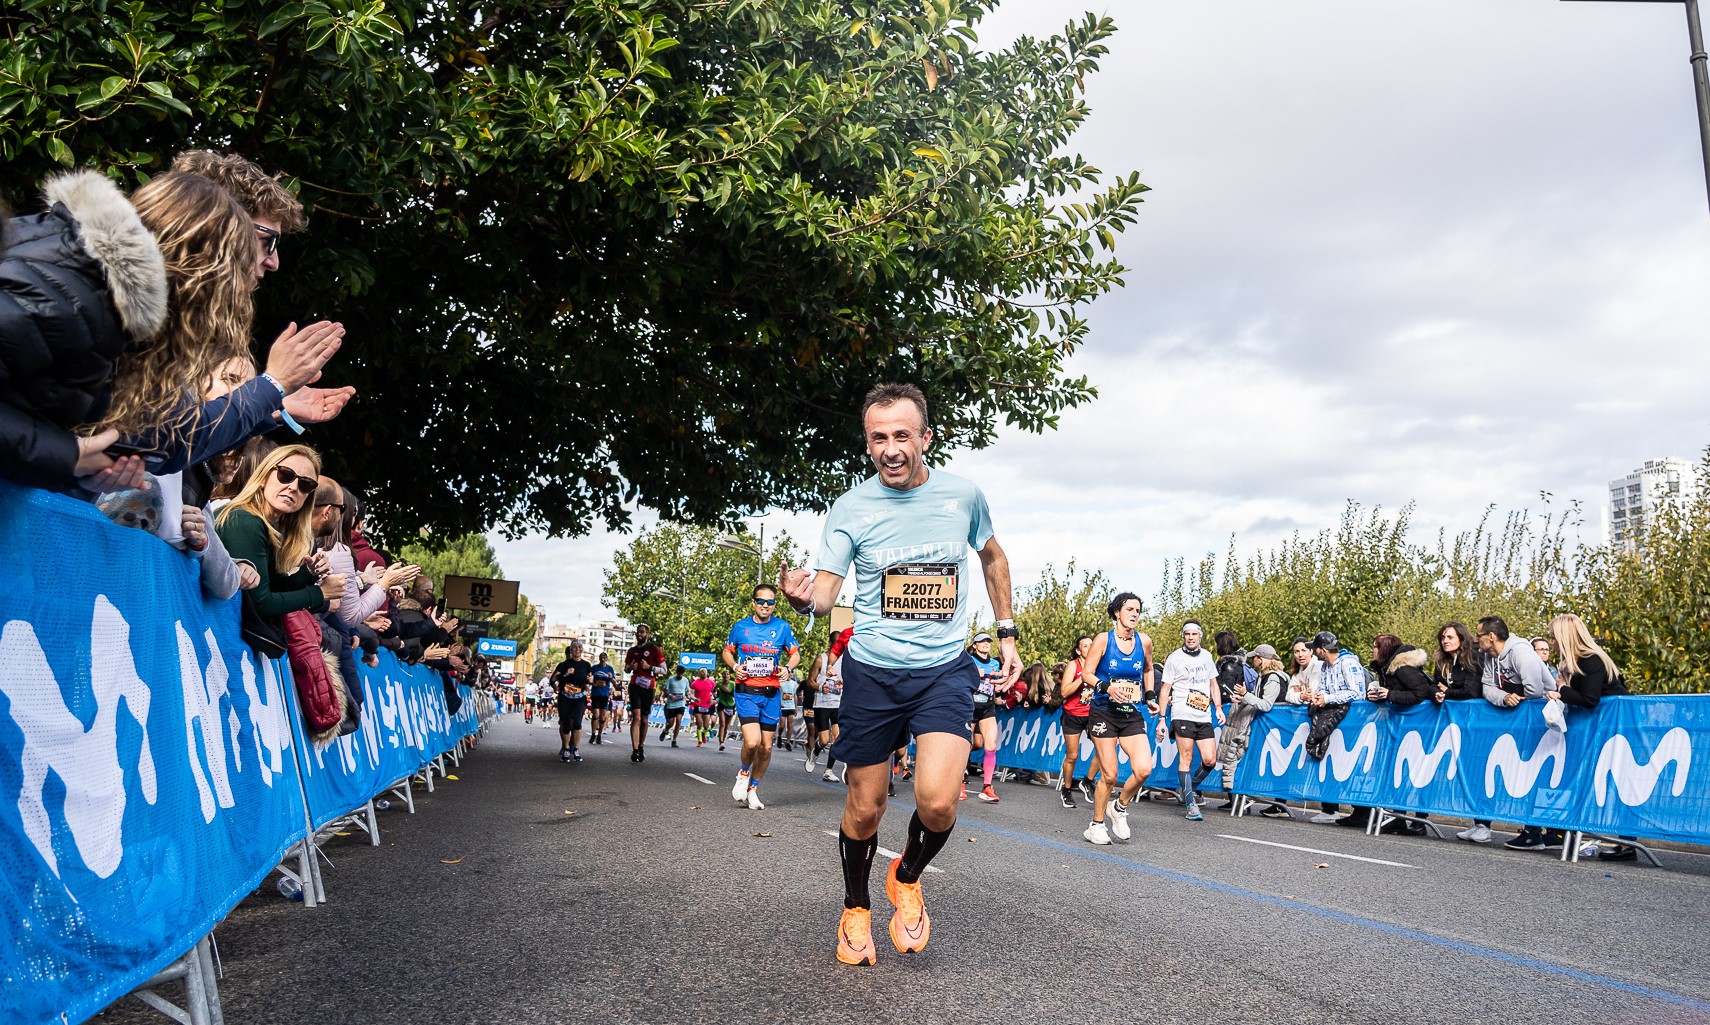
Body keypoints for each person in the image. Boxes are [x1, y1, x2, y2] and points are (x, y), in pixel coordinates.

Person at [779, 383, 1019, 966]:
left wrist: (1006, 629)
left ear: (925, 439)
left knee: (938, 803)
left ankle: (906, 877)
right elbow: (826, 596)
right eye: (878, 437)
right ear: (868, 445)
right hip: (875, 674)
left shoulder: (963, 497)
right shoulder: (851, 508)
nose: (890, 448)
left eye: (902, 435)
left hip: (943, 670)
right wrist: (801, 599)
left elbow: (992, 557)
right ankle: (856, 905)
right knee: (867, 807)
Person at [0, 169, 165, 491]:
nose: (271, 263)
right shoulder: (72, 300)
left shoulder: (84, 288)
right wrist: (68, 456)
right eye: (263, 242)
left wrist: (76, 465)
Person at [1547, 613, 1634, 859]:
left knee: (1617, 782)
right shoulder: (1576, 663)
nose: (1552, 642)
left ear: (1565, 638)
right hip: (1604, 728)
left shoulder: (1590, 660)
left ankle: (1627, 844)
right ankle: (1618, 841)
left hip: (1619, 728)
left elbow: (1590, 700)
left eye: (1554, 637)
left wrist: (1562, 690)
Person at [1473, 616, 1560, 851]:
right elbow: (1487, 687)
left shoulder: (1521, 652)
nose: (1476, 639)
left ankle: (1541, 833)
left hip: (1542, 721)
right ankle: (1536, 832)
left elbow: (1535, 690)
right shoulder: (1489, 656)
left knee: (1539, 773)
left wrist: (1511, 695)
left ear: (1491, 636)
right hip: (1520, 721)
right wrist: (1503, 697)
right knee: (1523, 773)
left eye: (1478, 634)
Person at [1079, 594, 1155, 844]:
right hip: (1103, 712)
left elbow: (1148, 669)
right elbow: (1086, 674)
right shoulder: (1103, 640)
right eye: (1129, 609)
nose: (1134, 614)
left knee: (1144, 769)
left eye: (1138, 610)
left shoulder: (1144, 641)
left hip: (1130, 712)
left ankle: (1119, 807)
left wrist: (1151, 695)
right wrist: (1106, 687)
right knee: (1109, 774)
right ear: (1116, 613)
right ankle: (1096, 825)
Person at [723, 584, 801, 810]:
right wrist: (735, 665)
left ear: (774, 604)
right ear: (753, 603)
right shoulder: (740, 627)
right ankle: (743, 773)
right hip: (746, 691)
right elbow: (727, 650)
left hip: (771, 693)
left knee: (766, 748)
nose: (765, 606)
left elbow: (795, 654)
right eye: (761, 601)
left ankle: (753, 789)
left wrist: (787, 668)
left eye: (770, 602)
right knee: (753, 741)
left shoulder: (782, 627)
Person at [1366, 634, 1436, 835]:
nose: (1373, 651)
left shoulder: (1403, 668)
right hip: (1401, 727)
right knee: (1399, 771)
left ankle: (1419, 821)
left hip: (1419, 727)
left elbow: (1421, 693)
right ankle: (1398, 817)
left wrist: (1390, 695)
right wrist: (1375, 696)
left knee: (1416, 772)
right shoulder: (1387, 668)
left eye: (1376, 647)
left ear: (1385, 649)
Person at [1430, 621, 1492, 841]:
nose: (1445, 641)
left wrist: (1447, 692)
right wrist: (1438, 693)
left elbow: (1471, 691)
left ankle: (1485, 824)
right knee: (1467, 772)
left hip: (1477, 723)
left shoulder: (1474, 658)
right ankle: (1476, 822)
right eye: (1443, 638)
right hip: (1455, 724)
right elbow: (1436, 684)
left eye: (1450, 637)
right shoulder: (1443, 661)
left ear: (1461, 639)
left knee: (1479, 772)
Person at [1156, 621, 1220, 822]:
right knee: (1187, 756)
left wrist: (1217, 707)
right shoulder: (1174, 658)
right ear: (1183, 635)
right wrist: (1161, 719)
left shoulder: (1208, 656)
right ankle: (1191, 804)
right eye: (1187, 634)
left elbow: (1213, 684)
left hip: (1203, 714)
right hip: (1182, 713)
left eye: (1194, 634)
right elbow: (1165, 690)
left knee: (1210, 760)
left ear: (1200, 635)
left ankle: (1188, 789)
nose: (1191, 637)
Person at [1303, 631, 1369, 827]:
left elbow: (1357, 692)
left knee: (1351, 763)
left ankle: (1361, 811)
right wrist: (1317, 696)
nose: (1313, 651)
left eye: (1314, 648)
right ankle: (1330, 807)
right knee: (1330, 761)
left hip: (1352, 720)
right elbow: (1325, 688)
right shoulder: (1324, 666)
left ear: (1323, 650)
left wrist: (1329, 699)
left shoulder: (1348, 663)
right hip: (1333, 717)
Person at [1217, 644, 1289, 816]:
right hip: (1266, 727)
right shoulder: (1264, 676)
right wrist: (1243, 698)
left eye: (1255, 657)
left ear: (1261, 659)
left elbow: (1265, 704)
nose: (1253, 660)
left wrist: (1246, 695)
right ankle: (1259, 800)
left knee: (1273, 763)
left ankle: (1279, 803)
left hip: (1273, 728)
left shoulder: (1272, 678)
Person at [807, 627, 852, 781]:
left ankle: (828, 770)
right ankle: (816, 750)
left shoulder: (846, 660)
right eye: (835, 644)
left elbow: (849, 681)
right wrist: (820, 686)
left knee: (837, 738)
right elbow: (809, 681)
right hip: (821, 703)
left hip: (838, 703)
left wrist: (842, 683)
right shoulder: (821, 659)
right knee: (824, 740)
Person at [966, 632, 1005, 803]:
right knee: (967, 746)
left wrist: (1001, 684)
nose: (985, 644)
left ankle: (987, 787)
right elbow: (959, 680)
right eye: (981, 642)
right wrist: (974, 675)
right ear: (974, 645)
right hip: (969, 706)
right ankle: (959, 783)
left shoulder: (995, 663)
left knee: (990, 746)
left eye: (988, 641)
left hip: (987, 708)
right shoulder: (968, 661)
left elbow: (1000, 681)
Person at [1056, 635, 1095, 808]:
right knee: (1072, 755)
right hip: (1073, 713)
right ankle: (1067, 789)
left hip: (1094, 714)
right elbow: (1064, 692)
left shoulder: (1100, 664)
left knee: (1106, 749)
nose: (1090, 648)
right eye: (1086, 646)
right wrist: (1083, 677)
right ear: (1079, 650)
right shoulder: (1074, 665)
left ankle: (1088, 781)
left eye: (1092, 645)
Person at [624, 624, 666, 761]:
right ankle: (635, 749)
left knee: (644, 719)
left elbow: (664, 670)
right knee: (636, 716)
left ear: (648, 634)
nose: (639, 634)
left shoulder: (654, 650)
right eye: (638, 632)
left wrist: (650, 667)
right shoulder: (632, 651)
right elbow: (626, 669)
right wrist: (631, 667)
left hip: (649, 687)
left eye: (642, 632)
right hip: (635, 685)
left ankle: (641, 745)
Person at [552, 641, 592, 762]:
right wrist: (565, 674)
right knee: (566, 725)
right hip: (565, 698)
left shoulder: (586, 665)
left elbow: (589, 680)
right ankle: (566, 748)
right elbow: (553, 678)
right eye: (574, 648)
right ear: (570, 650)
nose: (577, 649)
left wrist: (589, 681)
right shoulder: (564, 664)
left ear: (582, 650)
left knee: (578, 724)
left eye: (579, 647)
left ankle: (576, 749)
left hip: (579, 698)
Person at [589, 652, 617, 743]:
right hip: (596, 693)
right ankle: (593, 734)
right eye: (601, 657)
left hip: (604, 694)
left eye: (604, 657)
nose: (602, 659)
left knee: (602, 716)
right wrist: (591, 682)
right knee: (596, 714)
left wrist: (611, 677)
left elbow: (614, 682)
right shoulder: (595, 668)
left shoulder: (610, 668)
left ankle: (599, 735)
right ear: (599, 658)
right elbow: (588, 676)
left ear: (606, 659)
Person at [661, 665, 690, 747]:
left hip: (681, 704)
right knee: (670, 723)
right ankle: (665, 730)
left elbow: (687, 690)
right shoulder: (671, 679)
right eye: (679, 673)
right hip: (671, 704)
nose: (680, 675)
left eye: (682, 674)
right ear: (676, 672)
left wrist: (689, 695)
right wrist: (670, 695)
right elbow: (665, 690)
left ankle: (674, 740)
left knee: (678, 721)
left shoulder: (685, 680)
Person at [689, 669, 717, 746]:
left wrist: (711, 698)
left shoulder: (711, 682)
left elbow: (711, 692)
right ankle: (699, 741)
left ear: (707, 673)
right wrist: (695, 698)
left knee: (706, 725)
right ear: (699, 673)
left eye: (705, 672)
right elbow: (690, 694)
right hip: (698, 705)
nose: (704, 673)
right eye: (702, 672)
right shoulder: (695, 683)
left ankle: (703, 733)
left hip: (707, 705)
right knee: (699, 723)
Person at [714, 671, 737, 750]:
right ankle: (721, 742)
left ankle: (723, 741)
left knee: (726, 726)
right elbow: (712, 690)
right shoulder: (719, 683)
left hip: (731, 705)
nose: (726, 675)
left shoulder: (733, 684)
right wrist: (713, 698)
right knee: (722, 724)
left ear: (730, 676)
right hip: (722, 705)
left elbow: (735, 695)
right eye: (724, 674)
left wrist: (729, 691)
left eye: (727, 674)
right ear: (722, 676)